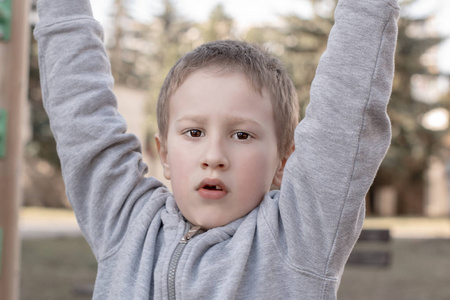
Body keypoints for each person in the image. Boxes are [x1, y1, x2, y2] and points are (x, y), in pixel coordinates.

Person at [34, 0, 399, 298]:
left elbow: (347, 109)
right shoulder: (126, 223)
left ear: (284, 161)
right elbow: (79, 109)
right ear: (163, 154)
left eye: (241, 135)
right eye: (194, 132)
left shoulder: (300, 236)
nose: (214, 156)